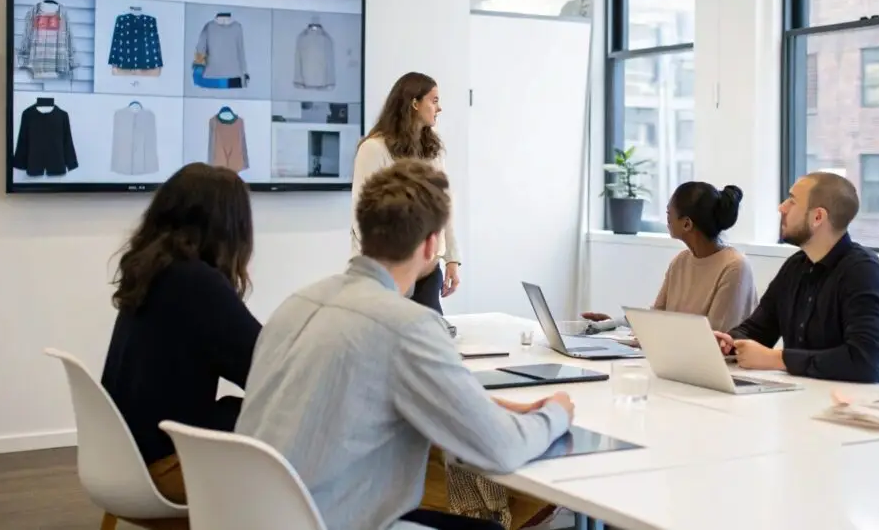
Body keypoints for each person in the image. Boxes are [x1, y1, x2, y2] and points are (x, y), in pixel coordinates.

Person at [236, 160, 573, 530]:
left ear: (364, 230)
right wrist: (556, 413)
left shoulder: (296, 304)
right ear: (431, 246)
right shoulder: (406, 326)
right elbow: (502, 449)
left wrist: (484, 405)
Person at [100, 163, 262, 530]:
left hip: (121, 455)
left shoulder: (150, 272)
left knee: (239, 410)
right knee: (288, 425)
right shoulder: (197, 285)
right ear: (229, 228)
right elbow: (266, 369)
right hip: (165, 465)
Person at [714, 172, 879, 383]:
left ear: (818, 217)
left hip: (851, 400)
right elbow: (758, 329)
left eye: (792, 201)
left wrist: (778, 359)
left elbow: (866, 362)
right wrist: (729, 342)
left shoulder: (864, 272)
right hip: (802, 394)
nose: (781, 207)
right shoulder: (795, 266)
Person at [352, 72, 461, 314]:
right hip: (386, 272)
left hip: (426, 271)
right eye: (434, 100)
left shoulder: (433, 150)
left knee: (429, 333)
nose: (439, 108)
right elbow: (362, 214)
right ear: (414, 103)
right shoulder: (373, 149)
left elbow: (444, 206)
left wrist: (452, 258)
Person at [583, 182, 756, 332]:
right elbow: (656, 317)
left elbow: (717, 337)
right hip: (678, 355)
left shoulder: (734, 267)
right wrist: (612, 325)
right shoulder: (681, 261)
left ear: (687, 224)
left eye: (668, 214)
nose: (667, 221)